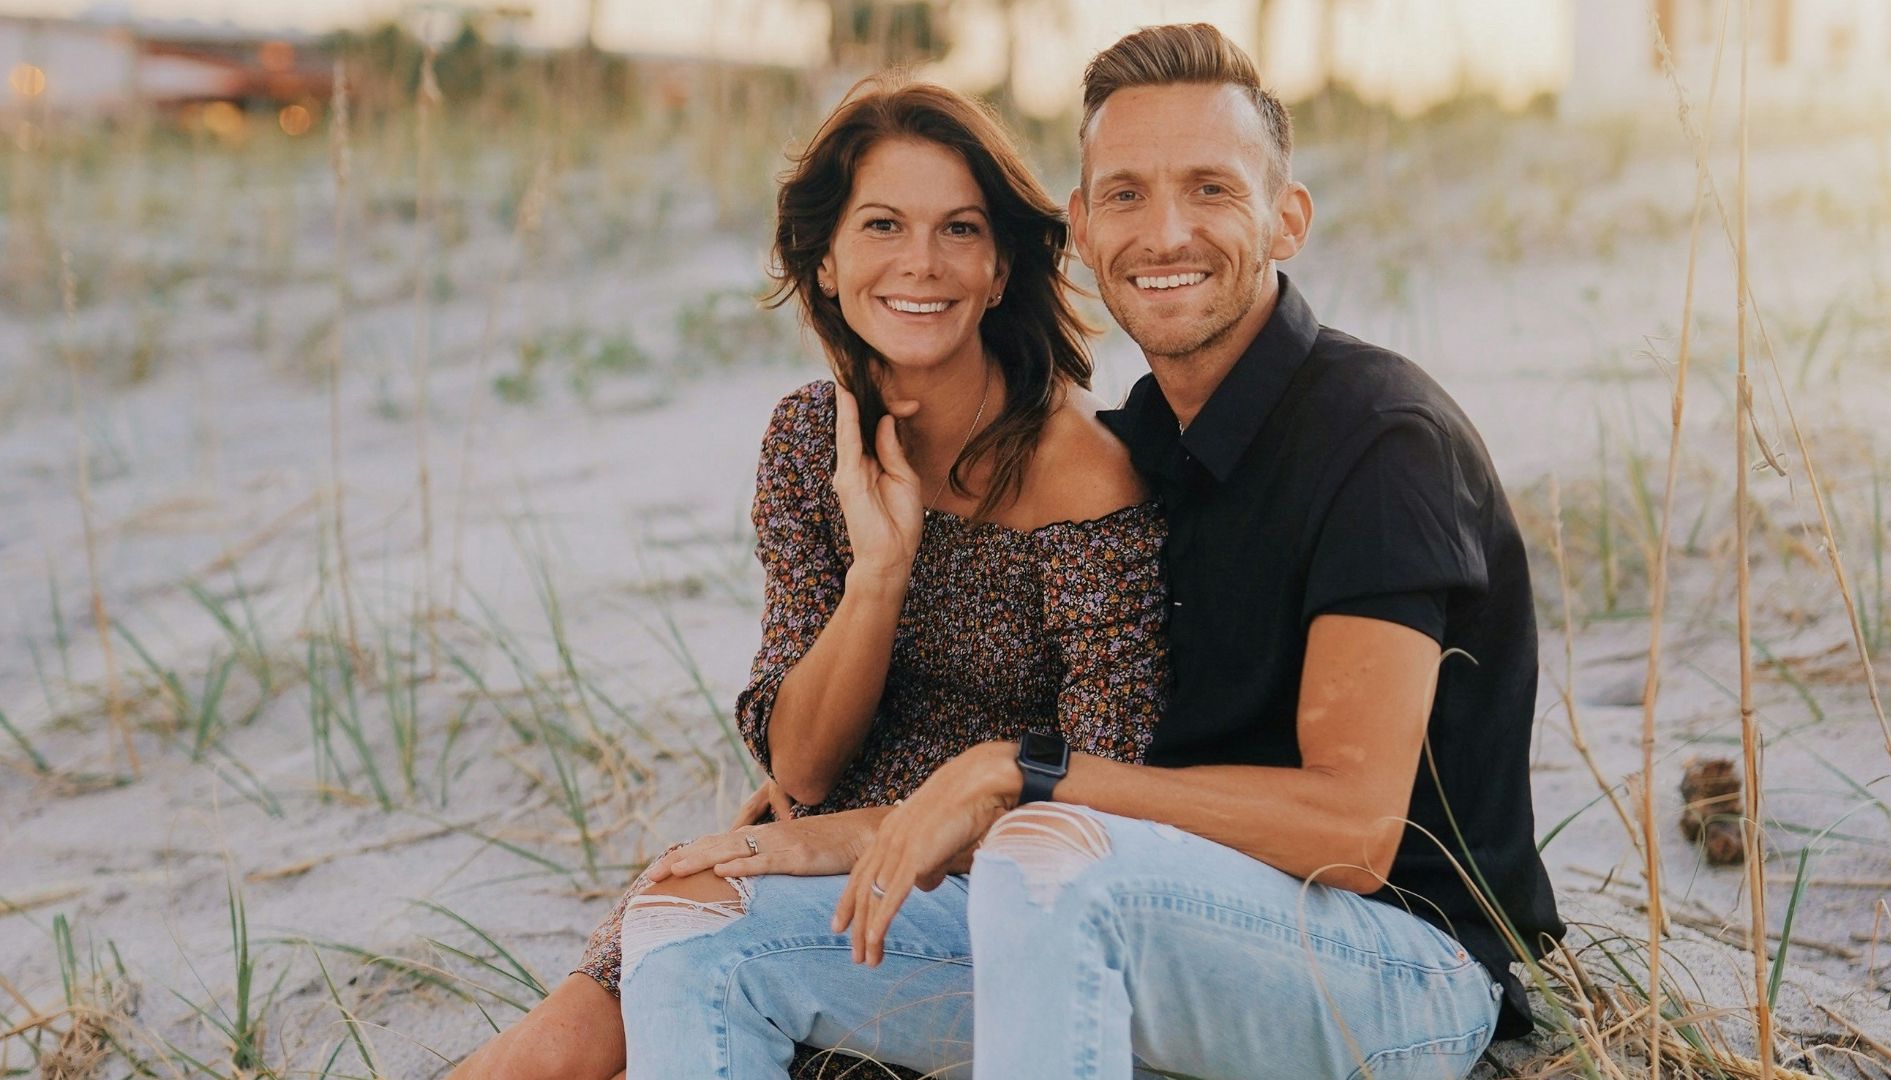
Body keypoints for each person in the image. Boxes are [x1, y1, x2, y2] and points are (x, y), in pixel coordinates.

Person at [633, 23, 1565, 1080]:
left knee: (1048, 850)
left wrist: (1017, 776)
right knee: (692, 929)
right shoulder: (1142, 449)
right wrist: (837, 832)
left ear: (1288, 219)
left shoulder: (1379, 440)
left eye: (1212, 188)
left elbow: (1349, 832)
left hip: (1405, 974)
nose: (1164, 231)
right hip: (1147, 917)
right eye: (1125, 194)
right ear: (1079, 228)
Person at [446, 76, 1168, 1080]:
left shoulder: (1081, 471)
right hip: (815, 836)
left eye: (959, 229)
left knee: (683, 939)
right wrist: (880, 570)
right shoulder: (806, 440)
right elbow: (801, 765)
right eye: (882, 225)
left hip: (991, 885)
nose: (920, 262)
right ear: (826, 263)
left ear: (1000, 269)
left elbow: (1098, 791)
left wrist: (831, 843)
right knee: (556, 1047)